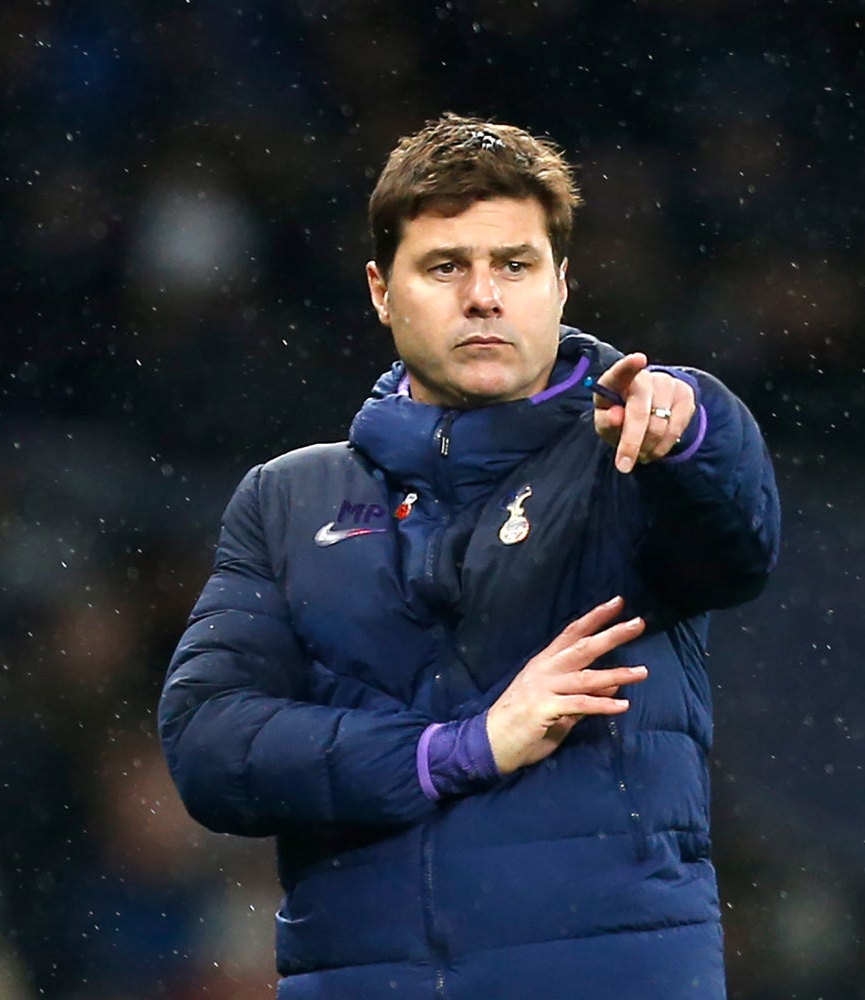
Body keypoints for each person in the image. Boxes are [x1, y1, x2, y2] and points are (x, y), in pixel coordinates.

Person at [157, 114, 780, 998]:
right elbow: (210, 747)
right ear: (381, 290)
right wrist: (459, 748)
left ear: (563, 283)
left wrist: (694, 426)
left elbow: (739, 543)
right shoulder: (289, 500)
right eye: (446, 266)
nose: (484, 296)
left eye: (515, 266)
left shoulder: (635, 453)